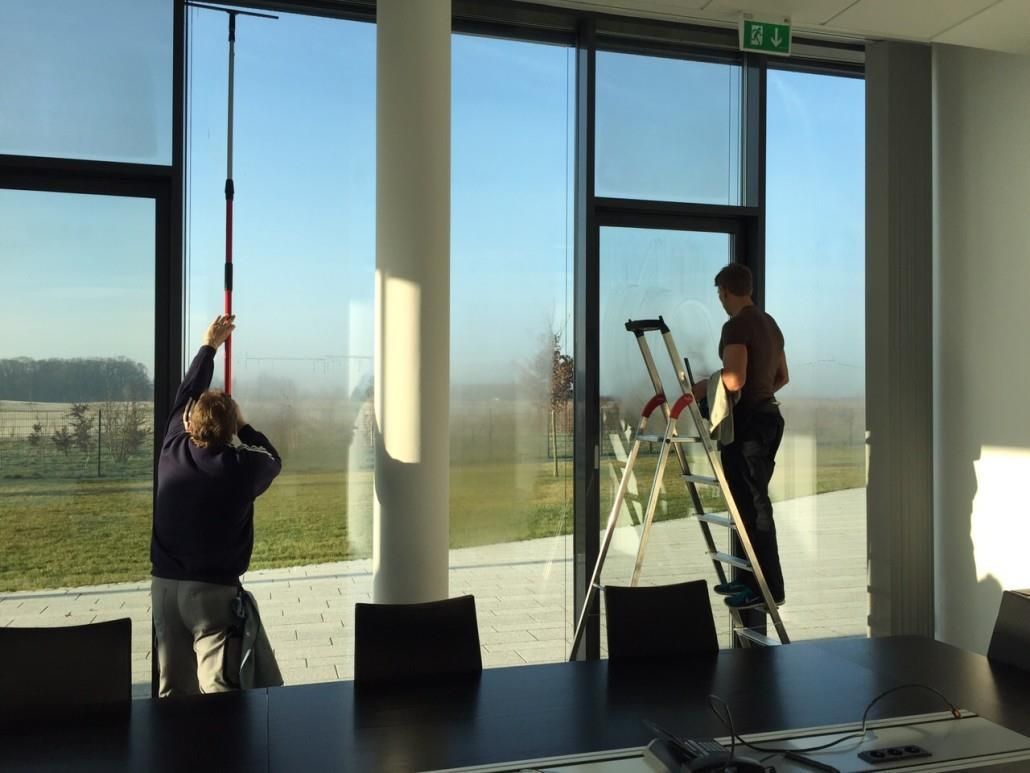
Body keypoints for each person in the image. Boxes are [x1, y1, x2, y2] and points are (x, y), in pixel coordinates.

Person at [150, 314, 282, 696]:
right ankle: (220, 755)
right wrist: (243, 425)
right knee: (219, 691)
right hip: (211, 592)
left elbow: (187, 391)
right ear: (230, 431)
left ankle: (174, 755)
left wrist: (210, 345)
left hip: (164, 586)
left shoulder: (172, 446)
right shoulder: (241, 467)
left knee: (172, 690)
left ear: (189, 422)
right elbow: (272, 459)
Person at [692, 264, 789, 610]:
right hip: (769, 419)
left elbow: (734, 380)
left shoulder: (736, 326)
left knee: (751, 505)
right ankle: (751, 581)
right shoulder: (769, 324)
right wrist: (759, 395)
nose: (720, 301)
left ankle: (767, 588)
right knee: (751, 503)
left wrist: (705, 386)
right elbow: (782, 376)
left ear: (726, 292)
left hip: (748, 428)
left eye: (720, 295)